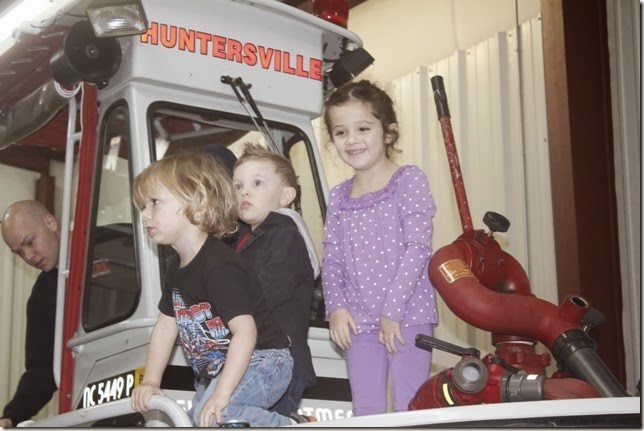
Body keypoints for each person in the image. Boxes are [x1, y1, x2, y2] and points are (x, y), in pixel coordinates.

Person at [129, 153, 312, 426]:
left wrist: (222, 394)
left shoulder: (219, 265)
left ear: (198, 205)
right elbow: (165, 327)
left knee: (220, 414)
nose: (144, 214)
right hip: (224, 368)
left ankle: (294, 425)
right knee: (194, 422)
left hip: (263, 359)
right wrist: (152, 381)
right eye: (142, 206)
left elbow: (246, 332)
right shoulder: (175, 268)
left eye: (155, 202)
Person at [321, 80, 439, 415]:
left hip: (407, 315)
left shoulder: (409, 180)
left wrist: (392, 312)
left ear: (388, 132)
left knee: (409, 406)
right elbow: (331, 260)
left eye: (363, 128)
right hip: (358, 321)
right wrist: (337, 308)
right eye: (341, 132)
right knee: (366, 410)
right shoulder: (338, 197)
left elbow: (418, 248)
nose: (352, 140)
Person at [232, 143, 318, 416]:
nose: (244, 192)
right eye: (238, 186)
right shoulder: (247, 240)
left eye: (257, 183)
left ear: (286, 195)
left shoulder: (285, 234)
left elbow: (267, 291)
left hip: (280, 362)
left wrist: (226, 310)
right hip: (253, 358)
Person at [0, 200, 60, 427]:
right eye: (19, 253)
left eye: (30, 242)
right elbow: (42, 369)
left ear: (51, 223)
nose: (29, 257)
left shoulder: (119, 242)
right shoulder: (41, 297)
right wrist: (12, 415)